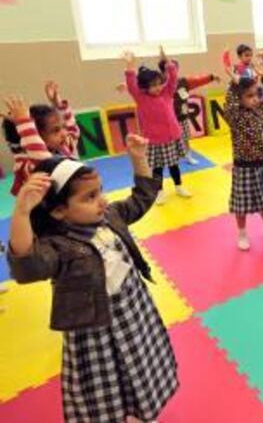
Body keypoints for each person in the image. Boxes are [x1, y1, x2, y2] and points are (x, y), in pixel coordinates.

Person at [7, 134, 178, 421]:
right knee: (108, 380)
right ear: (60, 211)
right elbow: (28, 266)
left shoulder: (109, 216)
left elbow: (142, 199)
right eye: (89, 197)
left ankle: (141, 410)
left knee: (140, 363)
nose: (102, 201)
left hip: (134, 311)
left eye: (100, 191)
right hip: (93, 328)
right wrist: (22, 212)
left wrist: (137, 159)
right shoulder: (59, 247)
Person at [223, 66, 263, 251]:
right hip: (244, 166)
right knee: (241, 203)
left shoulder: (260, 109)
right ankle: (242, 233)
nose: (255, 99)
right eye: (249, 96)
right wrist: (234, 85)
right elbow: (230, 103)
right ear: (240, 99)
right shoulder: (235, 116)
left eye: (256, 95)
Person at [124, 51, 190, 204]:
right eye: (153, 86)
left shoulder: (166, 93)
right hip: (154, 140)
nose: (158, 87)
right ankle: (159, 191)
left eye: (159, 83)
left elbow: (173, 78)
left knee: (174, 165)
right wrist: (129, 65)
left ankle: (179, 186)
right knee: (157, 169)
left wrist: (167, 62)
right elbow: (131, 84)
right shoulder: (141, 98)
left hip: (172, 138)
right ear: (144, 88)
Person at [2, 81, 80, 196]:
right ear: (35, 135)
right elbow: (44, 161)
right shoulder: (26, 164)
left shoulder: (62, 148)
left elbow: (73, 131)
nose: (64, 133)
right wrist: (23, 122)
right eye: (56, 130)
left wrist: (58, 104)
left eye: (63, 127)